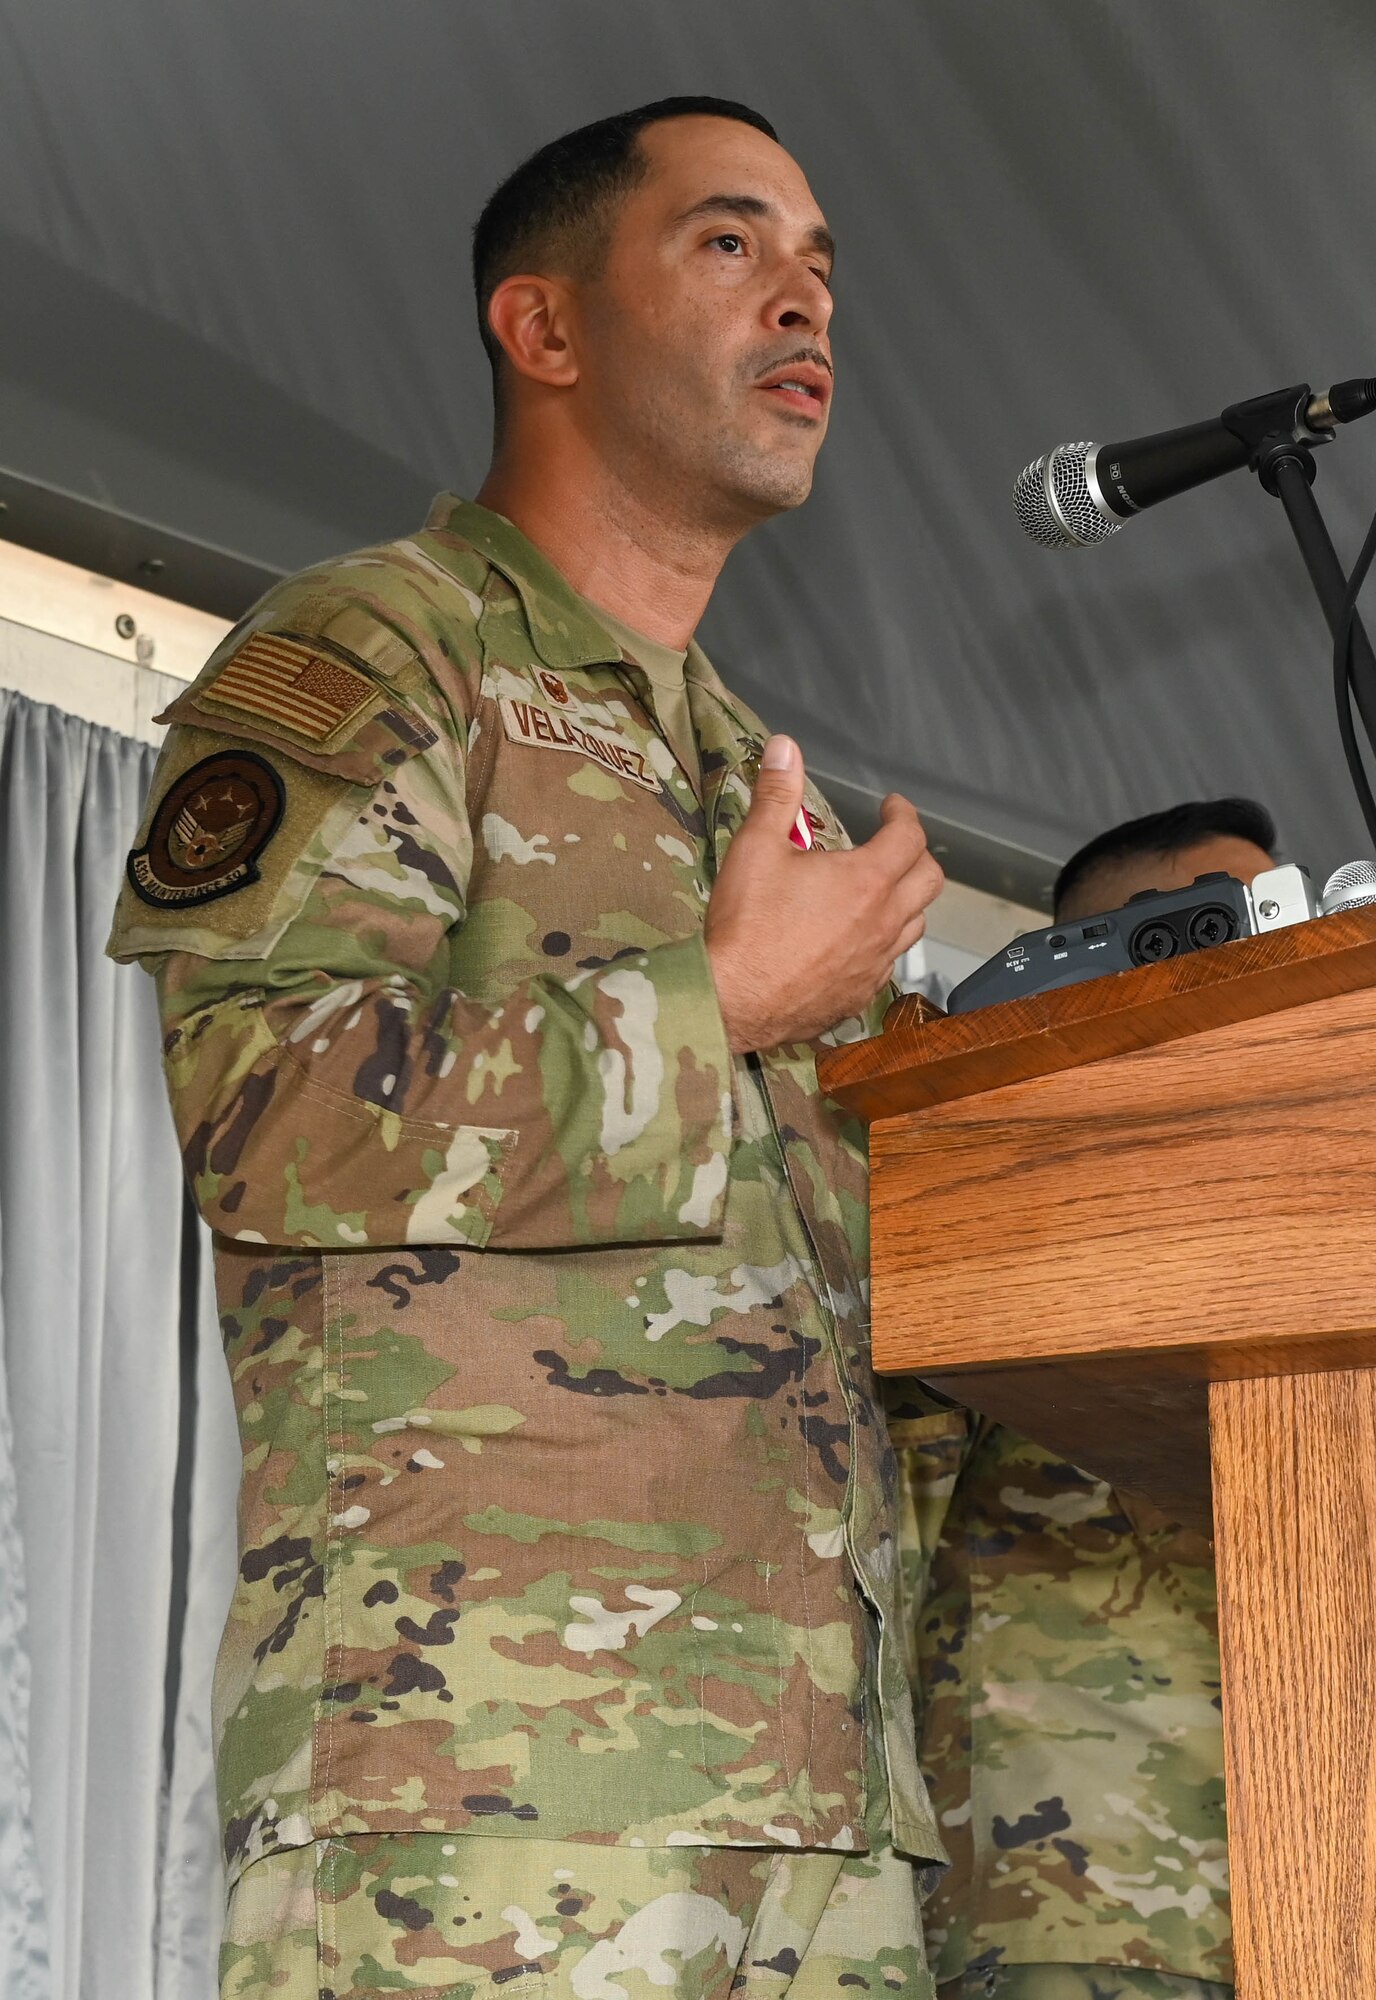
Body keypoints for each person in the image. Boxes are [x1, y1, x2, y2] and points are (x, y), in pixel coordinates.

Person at [106, 98, 947, 2000]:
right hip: (490, 1777)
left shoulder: (761, 775)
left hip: (826, 1812)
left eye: (824, 262)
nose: (807, 295)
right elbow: (264, 1109)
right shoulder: (374, 650)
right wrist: (718, 1010)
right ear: (543, 330)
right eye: (733, 244)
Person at [909, 800, 1276, 2000]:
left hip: (1319, 1881)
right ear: (1135, 940)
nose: (1278, 944)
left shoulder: (1303, 1164)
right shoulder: (990, 1147)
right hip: (1079, 1877)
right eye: (1237, 917)